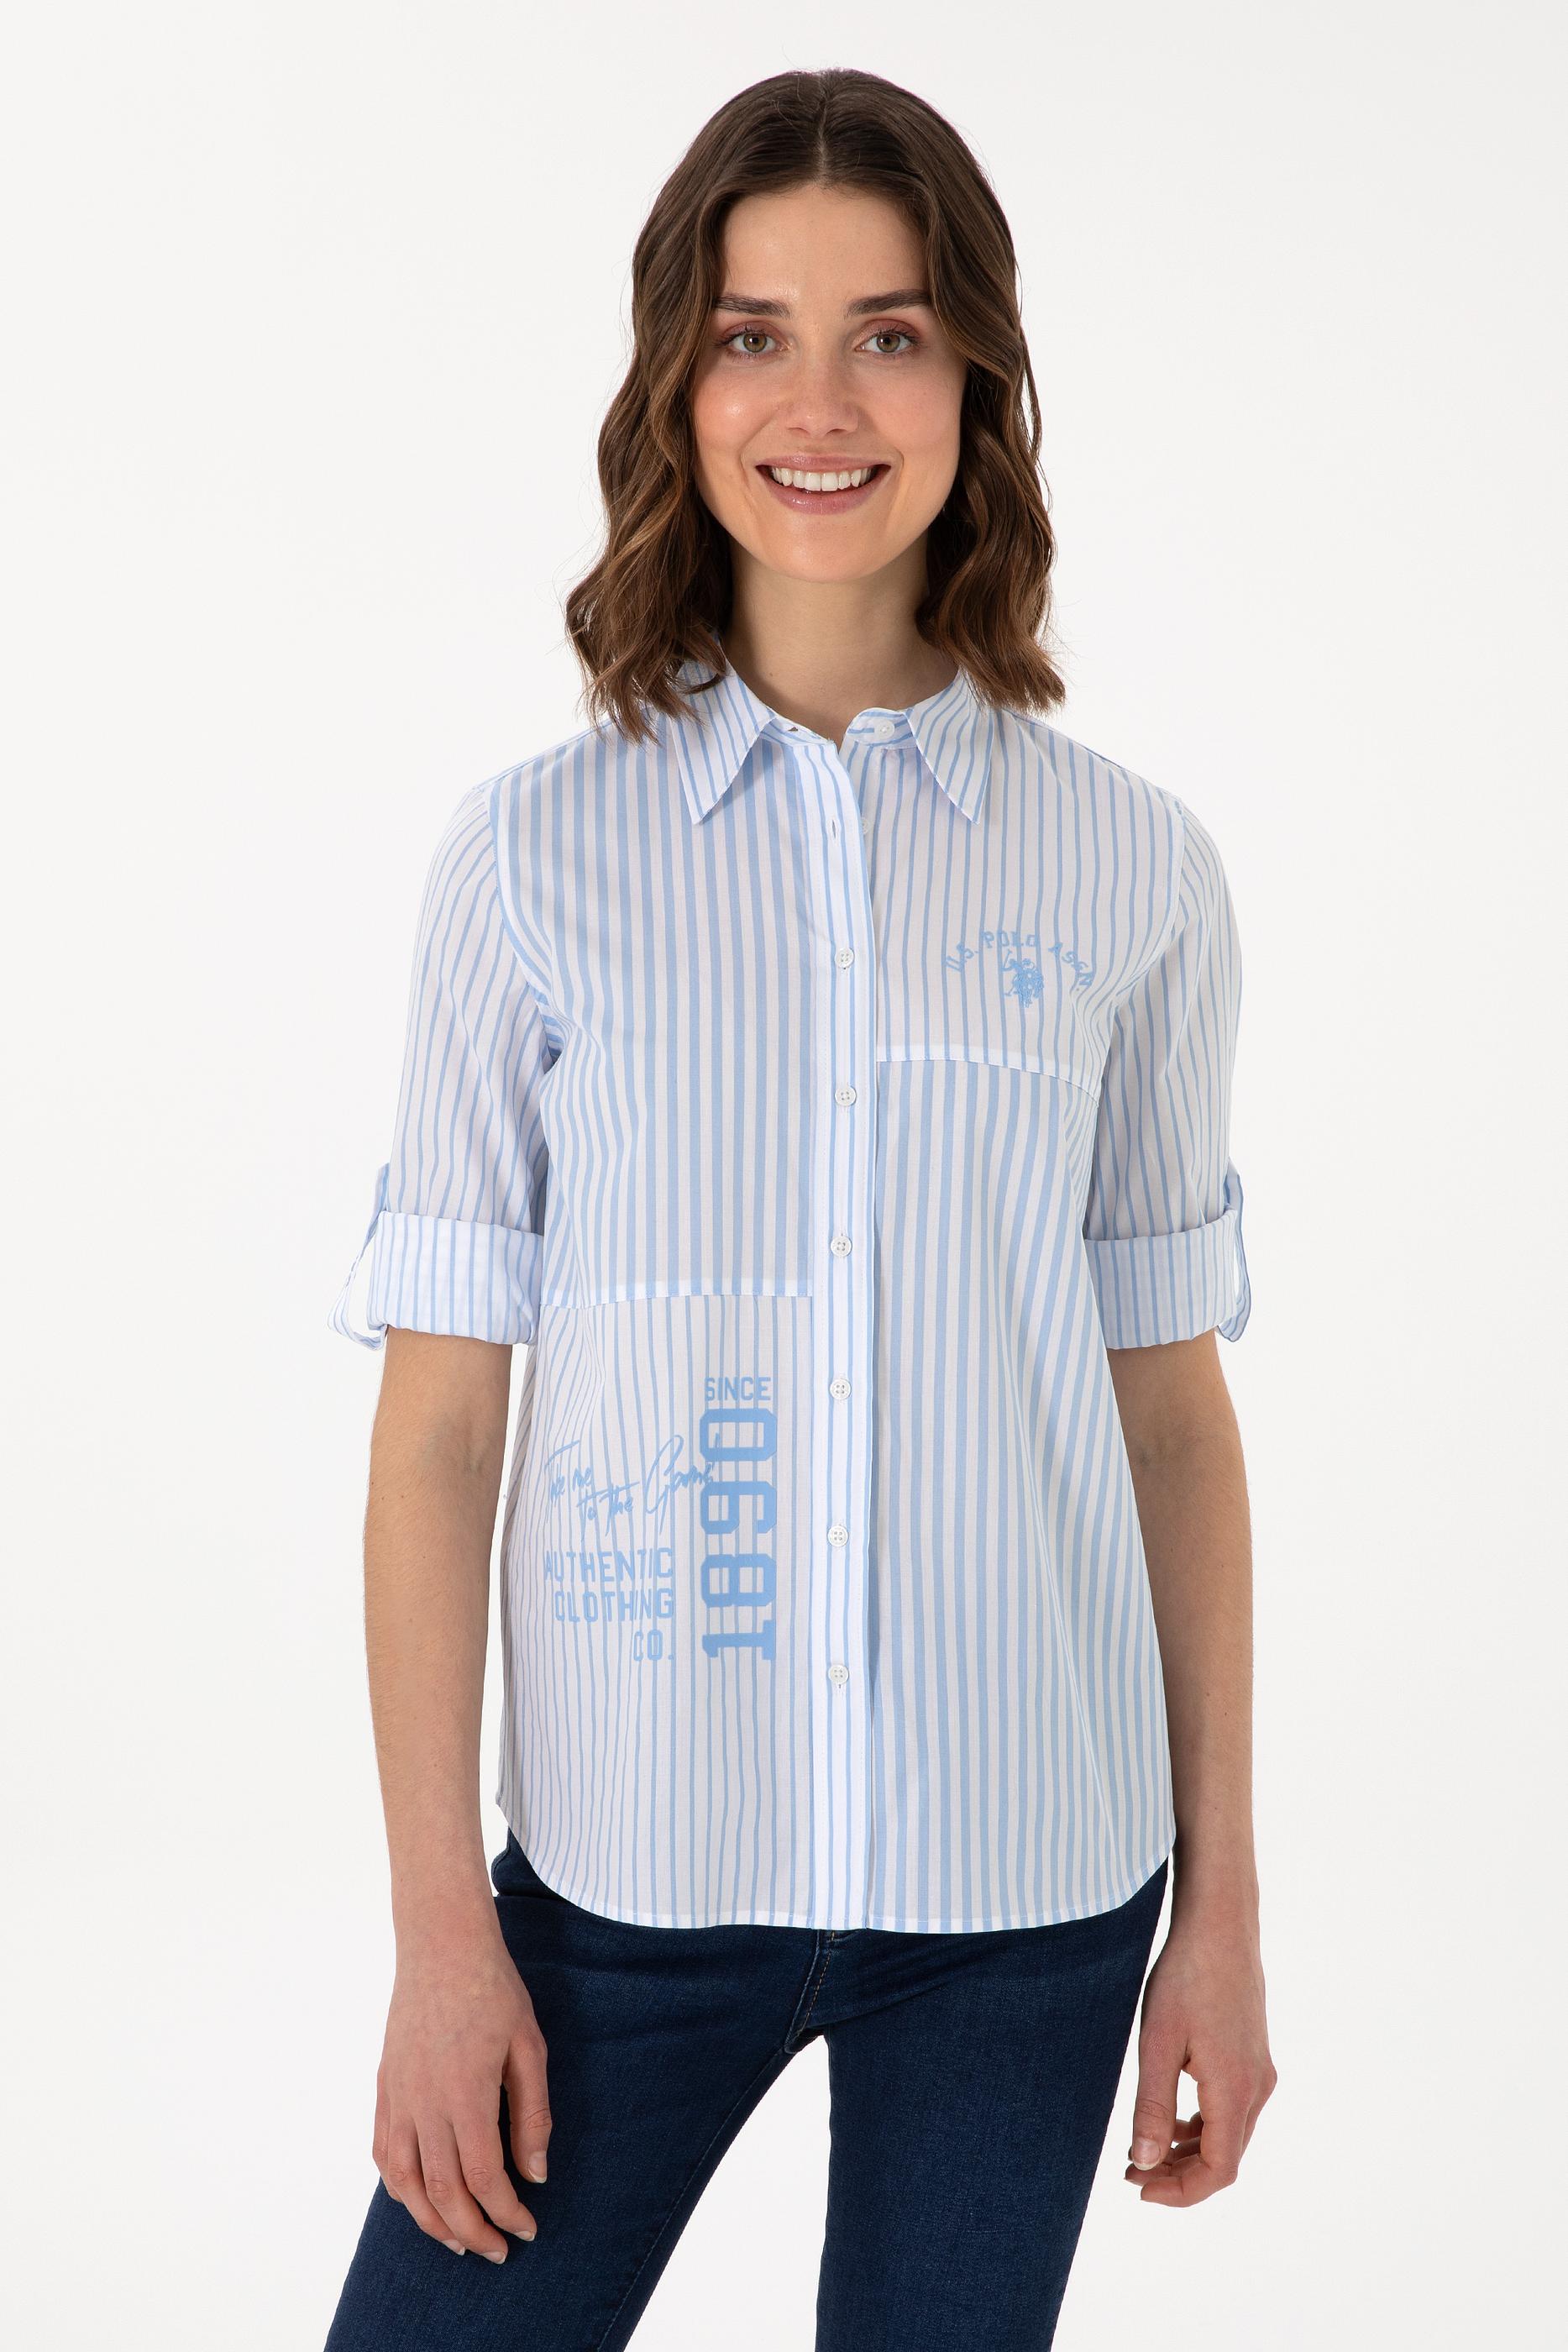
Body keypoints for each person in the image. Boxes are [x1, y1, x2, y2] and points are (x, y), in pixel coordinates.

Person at [320, 66, 1276, 2352]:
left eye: (890, 333)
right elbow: (441, 1427)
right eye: (754, 333)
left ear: (977, 384)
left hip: (1029, 1899)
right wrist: (442, 1934)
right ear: (679, 379)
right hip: (623, 1894)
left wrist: (1222, 1912)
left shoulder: (1130, 870)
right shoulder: (529, 864)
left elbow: (1168, 1418)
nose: (819, 403)